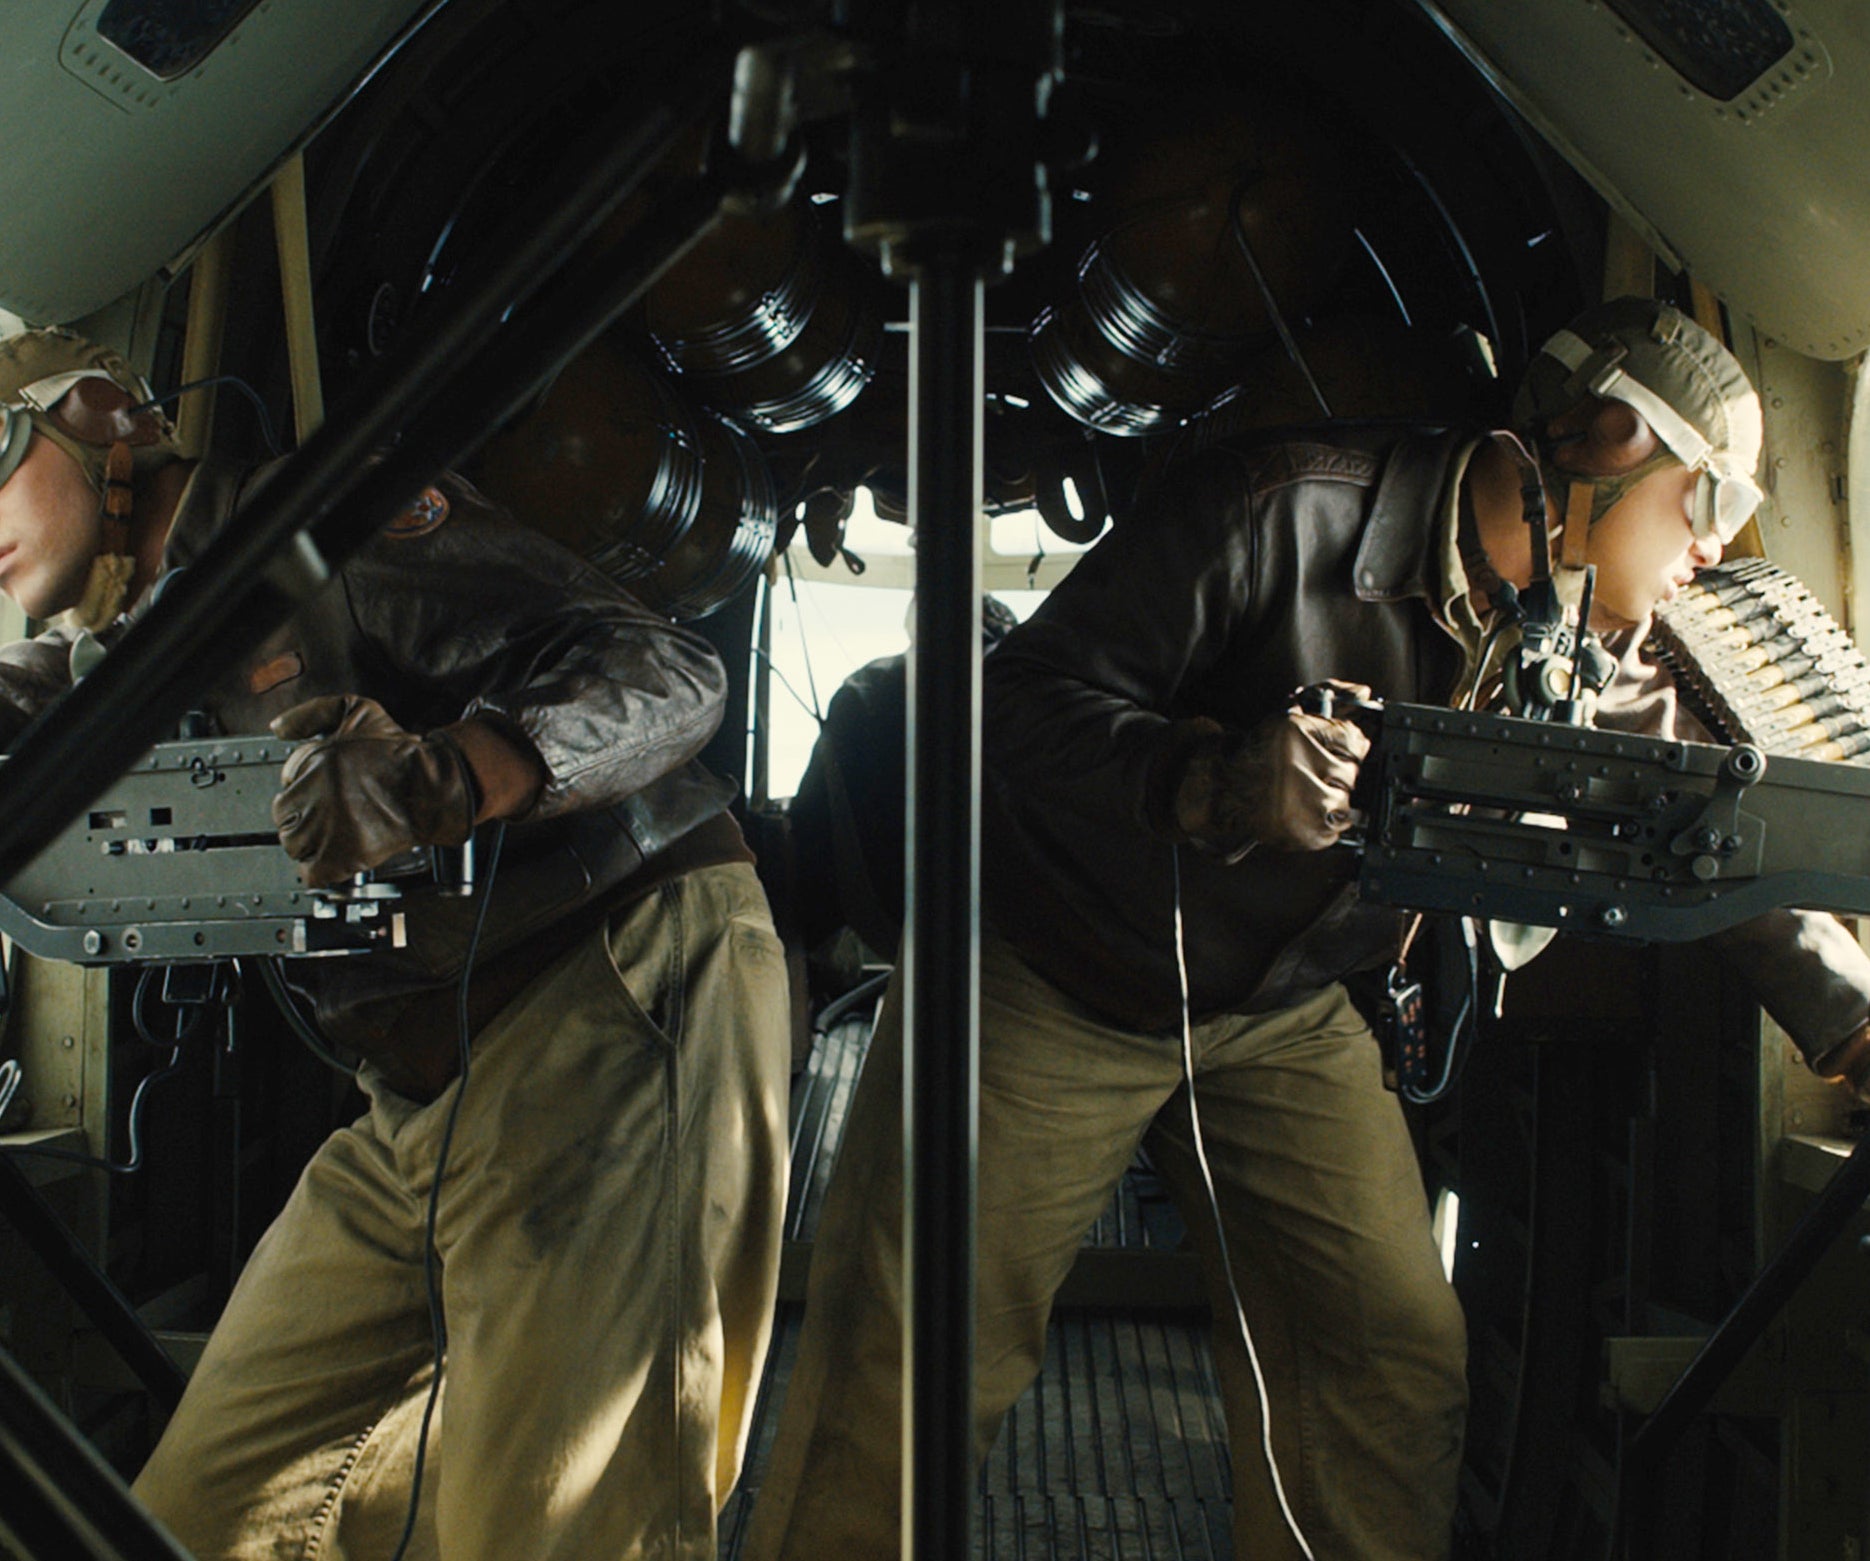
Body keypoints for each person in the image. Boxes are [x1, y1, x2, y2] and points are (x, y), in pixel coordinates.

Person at [743, 296, 1870, 1560]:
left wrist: (1853, 1025)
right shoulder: (1275, 509)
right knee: (912, 1371)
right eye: (1709, 504)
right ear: (1607, 442)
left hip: (1279, 1014)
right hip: (1053, 977)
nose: (1713, 552)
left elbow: (1698, 829)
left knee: (1384, 1362)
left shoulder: (1577, 641)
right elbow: (1013, 703)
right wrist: (1213, 776)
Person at [0, 327, 791, 1561]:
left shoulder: (328, 526)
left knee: (557, 1524)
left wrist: (453, 775)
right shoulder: (135, 649)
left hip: (613, 988)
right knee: (199, 1520)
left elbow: (669, 669)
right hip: (416, 1098)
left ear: (101, 415)